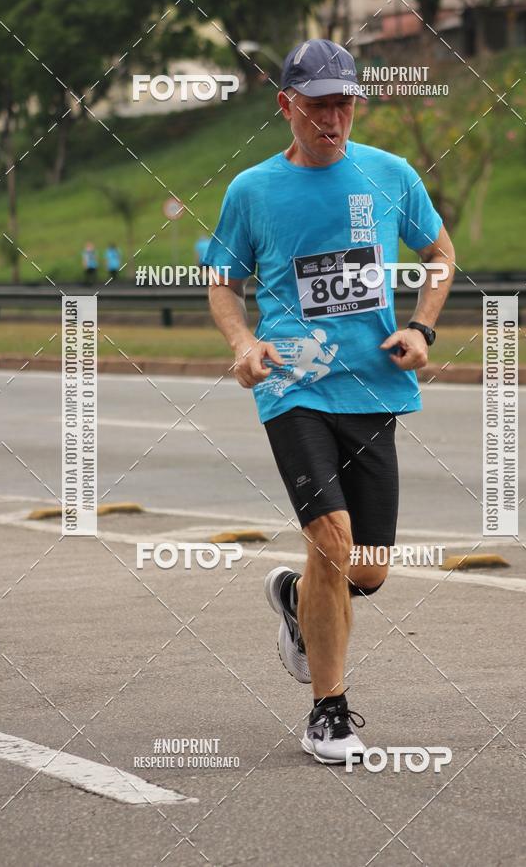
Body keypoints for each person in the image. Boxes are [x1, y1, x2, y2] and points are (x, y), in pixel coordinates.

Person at [207, 39, 455, 765]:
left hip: (372, 387)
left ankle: (295, 600)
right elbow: (223, 281)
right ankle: (329, 712)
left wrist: (421, 326)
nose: (333, 118)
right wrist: (243, 343)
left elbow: (440, 256)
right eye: (318, 104)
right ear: (286, 104)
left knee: (367, 568)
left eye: (344, 103)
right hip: (293, 387)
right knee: (331, 538)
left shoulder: (391, 174)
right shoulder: (251, 191)